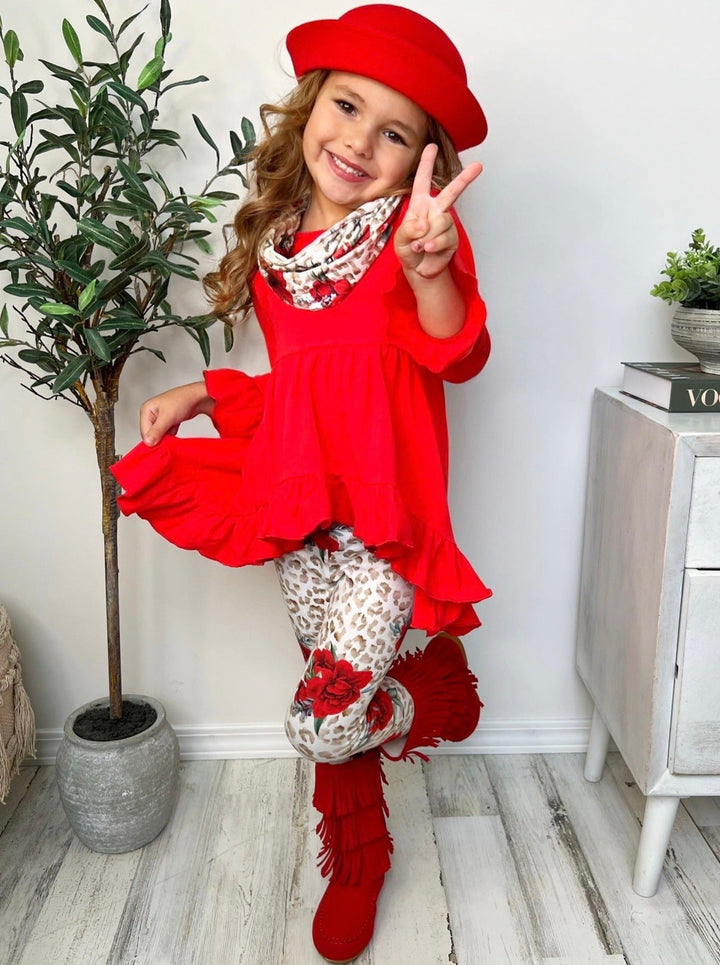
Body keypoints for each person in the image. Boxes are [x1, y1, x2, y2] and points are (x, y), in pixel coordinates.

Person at [112, 4, 491, 961]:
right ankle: (358, 859)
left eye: (394, 132)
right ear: (311, 105)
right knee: (331, 692)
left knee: (321, 719)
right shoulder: (280, 244)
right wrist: (209, 389)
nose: (360, 141)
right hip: (306, 511)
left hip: (384, 526)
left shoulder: (412, 236)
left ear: (421, 161)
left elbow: (456, 351)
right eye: (348, 107)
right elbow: (311, 390)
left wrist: (433, 268)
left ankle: (435, 697)